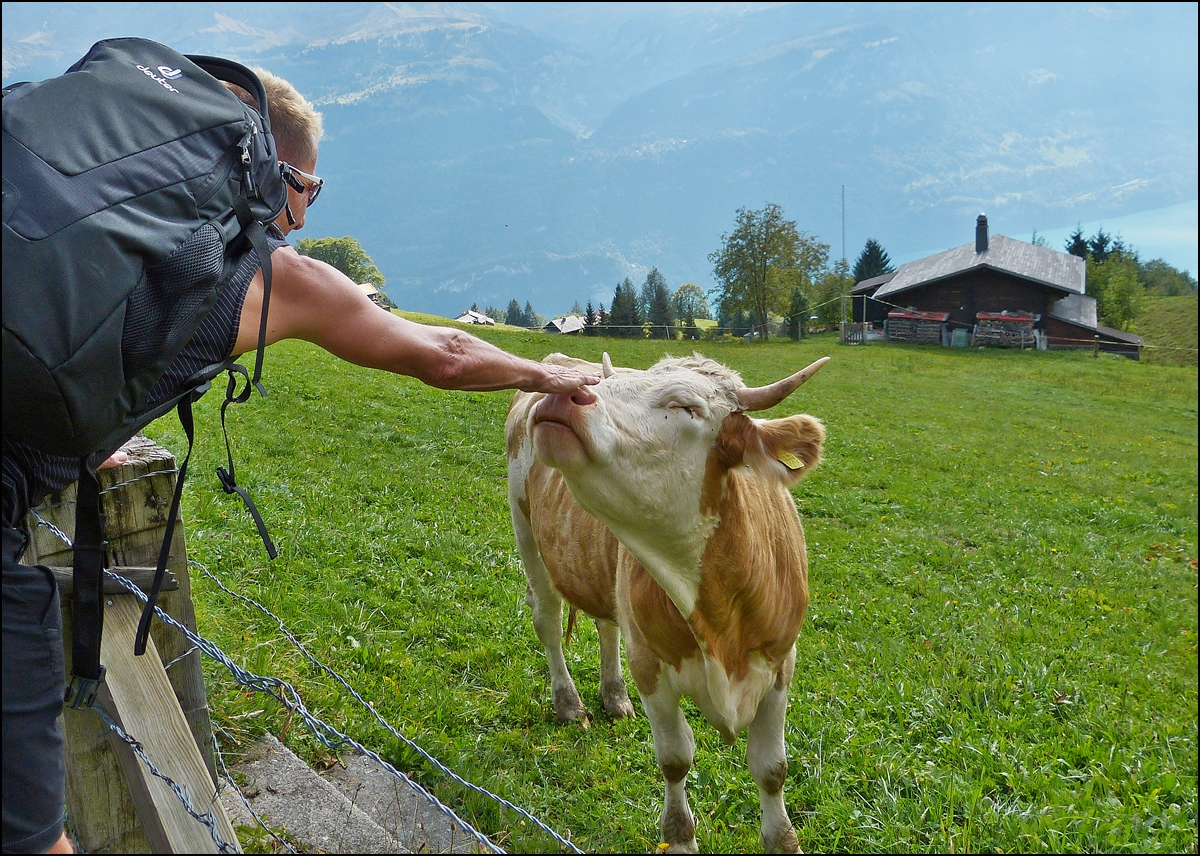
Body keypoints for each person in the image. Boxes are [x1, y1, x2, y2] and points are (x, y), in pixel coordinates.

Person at [1, 68, 599, 855]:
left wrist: (80, 417)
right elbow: (445, 353)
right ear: (279, 176)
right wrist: (547, 374)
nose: (307, 215)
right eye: (312, 192)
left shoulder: (57, 174)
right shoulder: (265, 276)